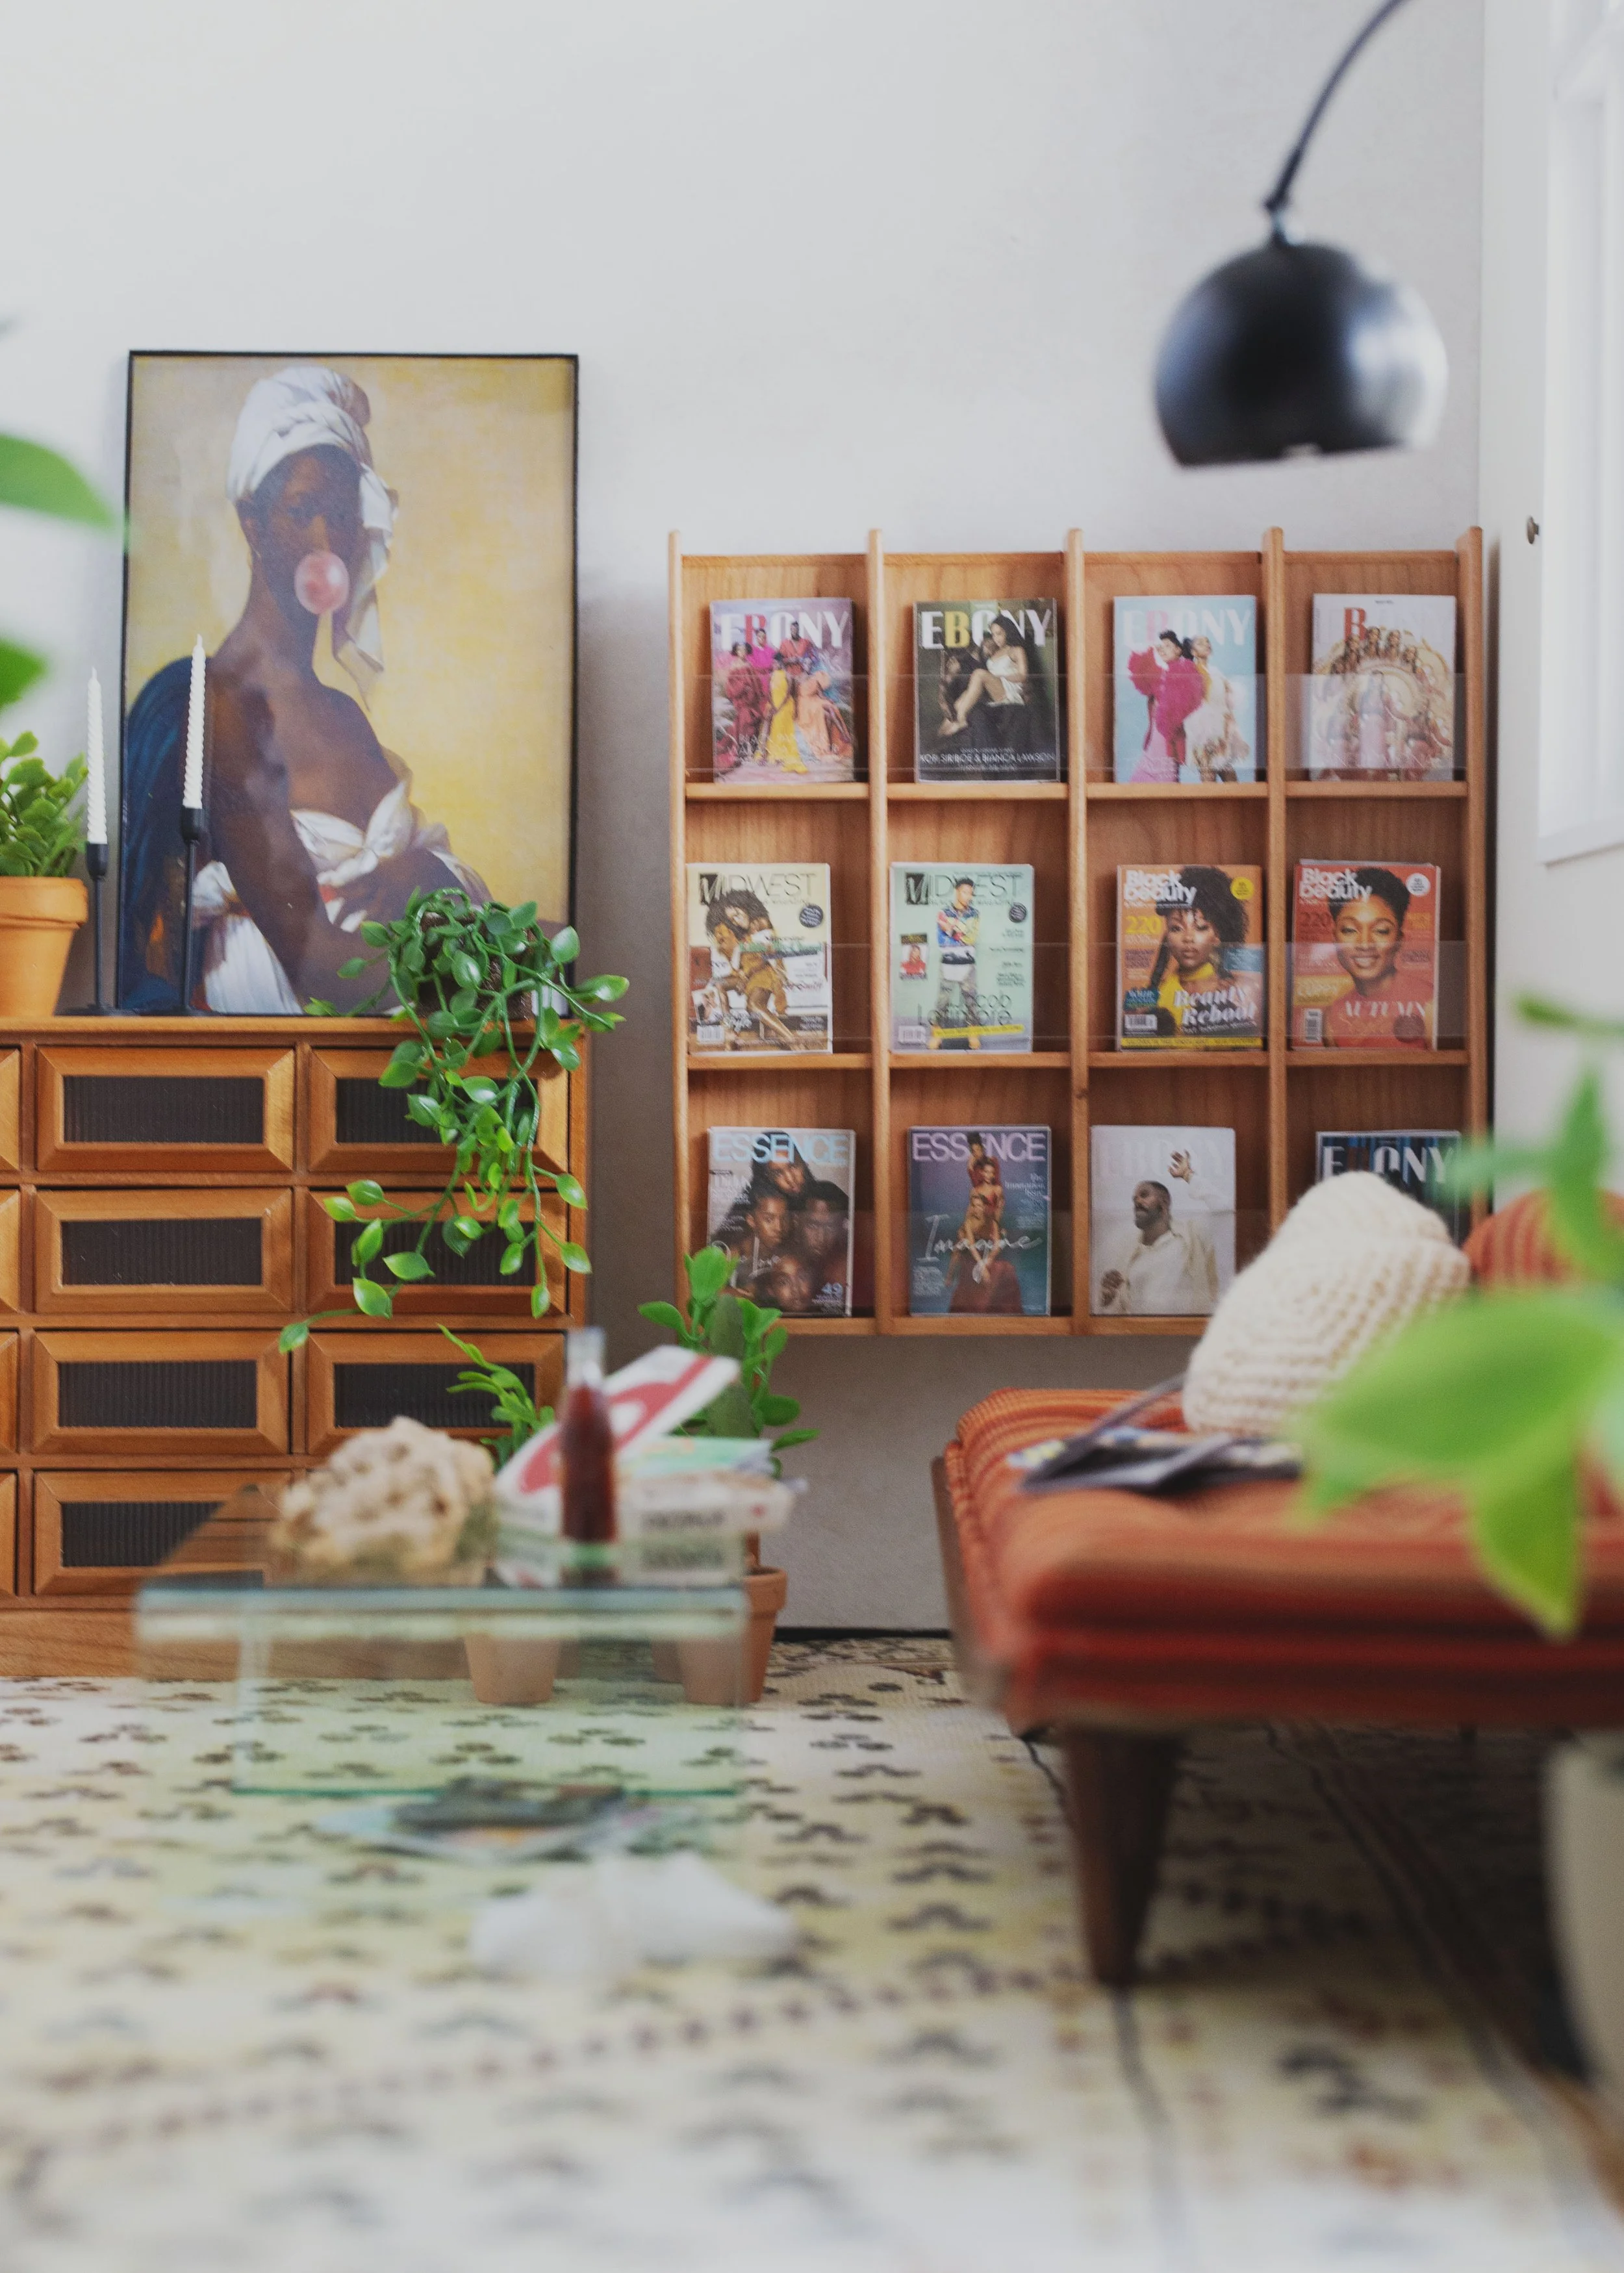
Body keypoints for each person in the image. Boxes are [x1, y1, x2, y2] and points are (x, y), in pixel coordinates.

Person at [120, 365, 488, 1013]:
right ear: (253, 523)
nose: (326, 541)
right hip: (301, 1038)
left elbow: (406, 881)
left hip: (393, 1039)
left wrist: (423, 874)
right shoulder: (223, 710)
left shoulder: (345, 714)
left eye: (342, 516)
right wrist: (503, 972)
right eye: (302, 511)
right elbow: (318, 966)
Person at [1096, 1153, 1219, 1317]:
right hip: (1143, 1338)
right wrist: (1108, 1299)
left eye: (1144, 1195)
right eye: (1134, 1200)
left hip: (1190, 1335)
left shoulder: (1192, 1235)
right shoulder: (1129, 1257)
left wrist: (1189, 1176)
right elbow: (1117, 1317)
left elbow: (1224, 1209)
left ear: (1164, 1203)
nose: (1137, 1202)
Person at [1321, 867, 1432, 1045]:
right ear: (1335, 939)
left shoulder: (1430, 1004)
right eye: (1349, 930)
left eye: (1381, 931)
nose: (1365, 944)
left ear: (1399, 940)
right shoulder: (1333, 1015)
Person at [1143, 866, 1256, 1040]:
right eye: (1176, 928)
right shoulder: (1157, 996)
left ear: (1218, 936)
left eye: (1201, 928)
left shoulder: (1238, 993)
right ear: (1167, 936)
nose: (1188, 938)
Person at [1125, 628, 1203, 783]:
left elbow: (1186, 707)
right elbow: (1141, 674)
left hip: (1167, 752)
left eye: (1168, 645)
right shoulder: (1161, 676)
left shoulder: (1185, 671)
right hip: (1151, 752)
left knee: (1166, 795)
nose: (1162, 648)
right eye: (1161, 646)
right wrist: (1150, 650)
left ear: (1179, 650)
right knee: (1134, 787)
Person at [946, 1186, 1024, 1314]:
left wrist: (986, 1263)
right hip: (972, 1254)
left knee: (1008, 1269)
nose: (977, 1209)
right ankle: (950, 1275)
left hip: (986, 1254)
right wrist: (981, 1266)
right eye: (974, 1206)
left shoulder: (991, 1221)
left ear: (985, 1207)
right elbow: (971, 1246)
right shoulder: (968, 1223)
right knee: (958, 1248)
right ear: (971, 1207)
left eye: (980, 1206)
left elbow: (997, 1246)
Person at [1184, 633, 1250, 783]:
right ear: (1193, 652)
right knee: (1209, 775)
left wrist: (1234, 733)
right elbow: (1193, 707)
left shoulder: (1216, 673)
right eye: (1201, 643)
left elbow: (1227, 704)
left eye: (1207, 642)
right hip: (1203, 733)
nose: (1207, 645)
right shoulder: (1192, 673)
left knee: (1230, 777)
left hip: (1222, 732)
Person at [929, 877, 980, 1049]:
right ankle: (936, 1034)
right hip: (949, 962)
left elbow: (972, 938)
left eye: (971, 893)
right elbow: (942, 941)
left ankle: (973, 1033)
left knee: (971, 1000)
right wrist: (960, 932)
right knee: (942, 1001)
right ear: (957, 892)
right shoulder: (944, 913)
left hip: (968, 962)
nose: (968, 896)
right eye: (965, 892)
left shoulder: (975, 914)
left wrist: (951, 929)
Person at [791, 1180, 850, 1314]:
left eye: (830, 1227)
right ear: (796, 1221)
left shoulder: (844, 1269)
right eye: (812, 1226)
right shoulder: (781, 1259)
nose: (821, 1237)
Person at [720, 638, 770, 772]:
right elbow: (731, 688)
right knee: (745, 723)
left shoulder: (749, 665)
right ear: (736, 651)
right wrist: (744, 688)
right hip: (742, 702)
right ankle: (742, 753)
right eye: (739, 650)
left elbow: (757, 684)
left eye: (744, 650)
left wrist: (756, 692)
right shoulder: (734, 667)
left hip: (753, 701)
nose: (742, 652)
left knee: (754, 725)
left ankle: (753, 753)